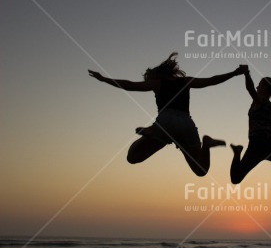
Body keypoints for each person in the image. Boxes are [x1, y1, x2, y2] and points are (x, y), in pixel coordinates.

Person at [88, 52, 247, 177]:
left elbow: (130, 85)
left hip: (166, 122)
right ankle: (206, 145)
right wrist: (234, 72)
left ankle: (150, 133)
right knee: (201, 171)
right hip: (186, 124)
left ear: (156, 75)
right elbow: (212, 80)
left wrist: (104, 79)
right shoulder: (186, 81)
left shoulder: (157, 82)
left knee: (132, 157)